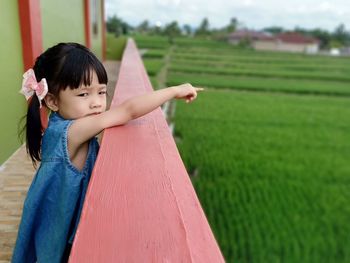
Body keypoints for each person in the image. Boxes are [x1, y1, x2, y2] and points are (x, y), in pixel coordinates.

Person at [12, 42, 203, 263]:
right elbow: (127, 111)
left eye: (101, 92)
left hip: (59, 216)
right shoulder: (71, 131)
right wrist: (175, 90)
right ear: (53, 101)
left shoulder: (70, 124)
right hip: (55, 222)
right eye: (83, 94)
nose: (96, 103)